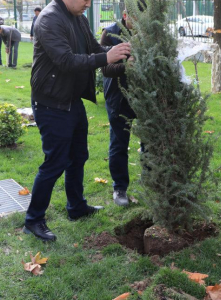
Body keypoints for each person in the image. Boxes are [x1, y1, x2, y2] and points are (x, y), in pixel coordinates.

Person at [24, 0, 131, 242]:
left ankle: (77, 207)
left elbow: (94, 49)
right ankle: (34, 219)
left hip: (71, 100)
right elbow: (67, 61)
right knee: (55, 162)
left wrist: (121, 54)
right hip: (51, 103)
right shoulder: (49, 18)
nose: (88, 3)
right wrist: (107, 58)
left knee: (78, 156)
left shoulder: (78, 17)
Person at [100, 9, 139, 206]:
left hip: (145, 97)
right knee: (119, 143)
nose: (141, 22)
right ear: (125, 15)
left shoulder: (149, 32)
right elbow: (105, 69)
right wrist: (126, 66)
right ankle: (120, 188)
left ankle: (152, 184)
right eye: (136, 18)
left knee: (151, 143)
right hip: (118, 97)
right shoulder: (110, 33)